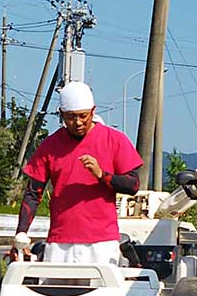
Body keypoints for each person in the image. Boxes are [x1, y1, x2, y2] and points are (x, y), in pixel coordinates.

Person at [13, 80, 143, 265]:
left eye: (83, 116)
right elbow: (33, 194)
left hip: (102, 243)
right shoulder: (50, 145)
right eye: (70, 117)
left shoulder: (114, 140)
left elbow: (133, 185)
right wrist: (21, 233)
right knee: (54, 293)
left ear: (93, 110)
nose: (78, 122)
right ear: (61, 115)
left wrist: (102, 175)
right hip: (60, 242)